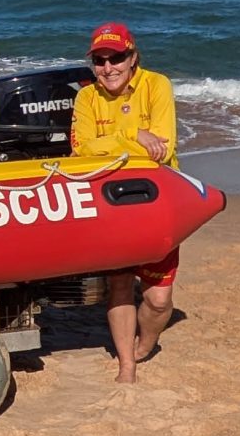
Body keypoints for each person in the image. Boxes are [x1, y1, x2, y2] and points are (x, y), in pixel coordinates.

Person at [69, 21, 179, 384]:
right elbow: (81, 150)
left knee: (159, 300)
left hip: (154, 202)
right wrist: (134, 135)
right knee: (118, 284)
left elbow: (161, 152)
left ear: (133, 57)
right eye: (99, 61)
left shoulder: (156, 85)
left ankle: (146, 343)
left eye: (116, 57)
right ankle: (126, 366)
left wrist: (113, 144)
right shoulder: (86, 97)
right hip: (110, 203)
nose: (108, 67)